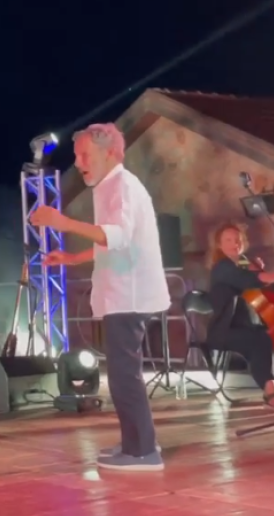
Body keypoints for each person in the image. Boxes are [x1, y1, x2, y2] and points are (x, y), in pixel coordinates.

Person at [29, 123, 169, 472]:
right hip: (122, 293)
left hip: (129, 295)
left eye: (84, 155)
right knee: (122, 374)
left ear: (110, 153)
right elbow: (113, 242)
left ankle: (143, 451)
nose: (78, 163)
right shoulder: (110, 186)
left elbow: (117, 236)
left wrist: (62, 223)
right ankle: (136, 443)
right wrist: (73, 257)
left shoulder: (122, 185)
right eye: (77, 156)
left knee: (124, 376)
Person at [206, 221, 274, 409]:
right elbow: (249, 280)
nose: (234, 243)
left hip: (248, 326)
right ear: (219, 245)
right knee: (260, 339)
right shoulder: (222, 266)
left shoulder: (241, 261)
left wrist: (259, 269)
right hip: (225, 330)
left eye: (237, 239)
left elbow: (260, 279)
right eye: (228, 240)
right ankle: (270, 391)